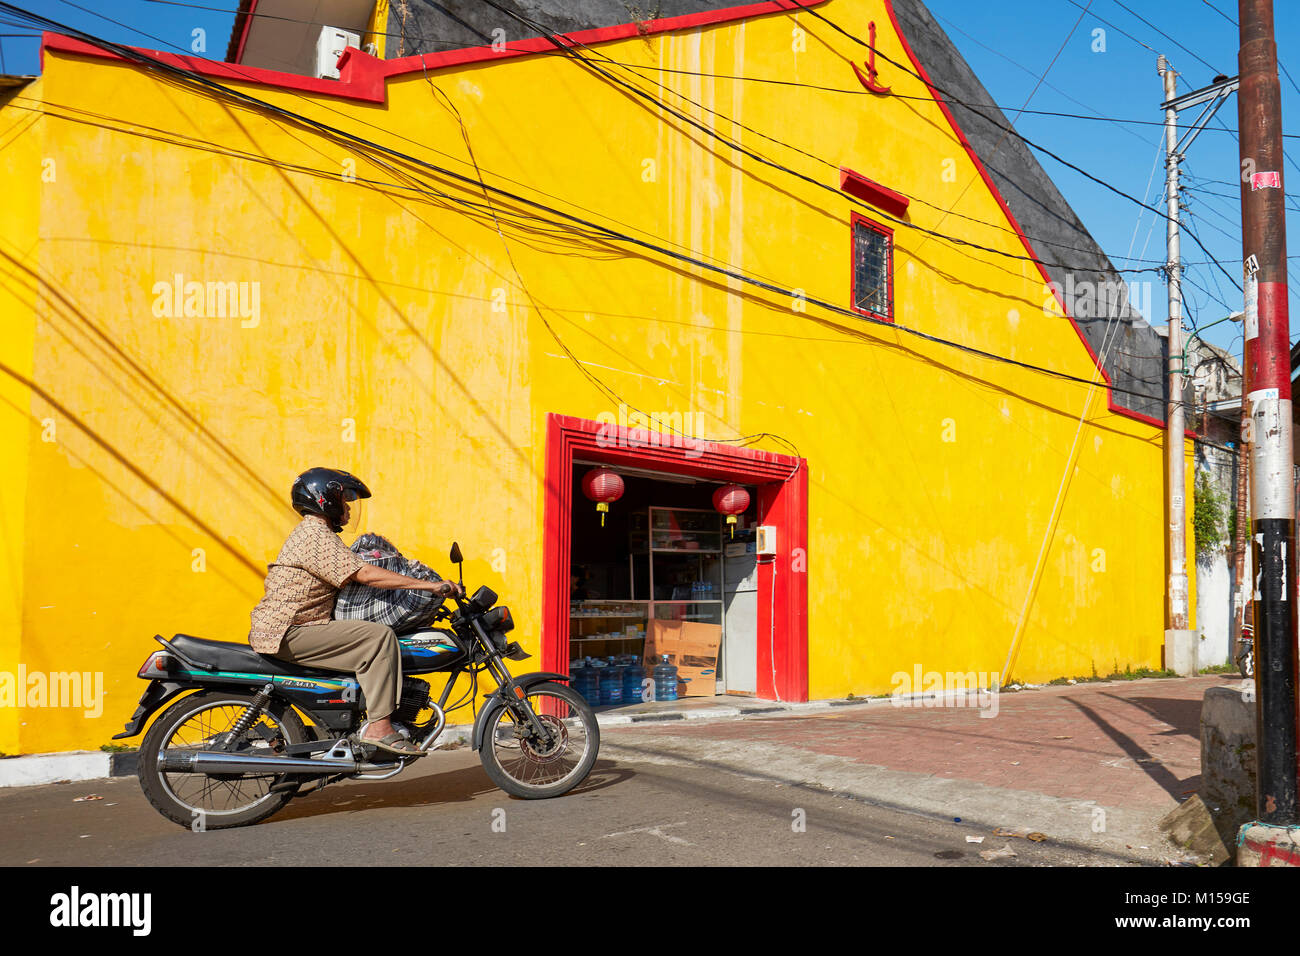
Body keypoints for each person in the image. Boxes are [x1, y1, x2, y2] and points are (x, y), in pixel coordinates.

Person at [248, 467, 463, 758]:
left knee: (365, 639)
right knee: (378, 638)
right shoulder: (314, 535)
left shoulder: (316, 535)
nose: (348, 509)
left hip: (294, 627)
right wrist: (429, 586)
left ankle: (363, 717)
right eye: (345, 500)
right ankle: (379, 727)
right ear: (326, 498)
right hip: (289, 631)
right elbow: (365, 574)